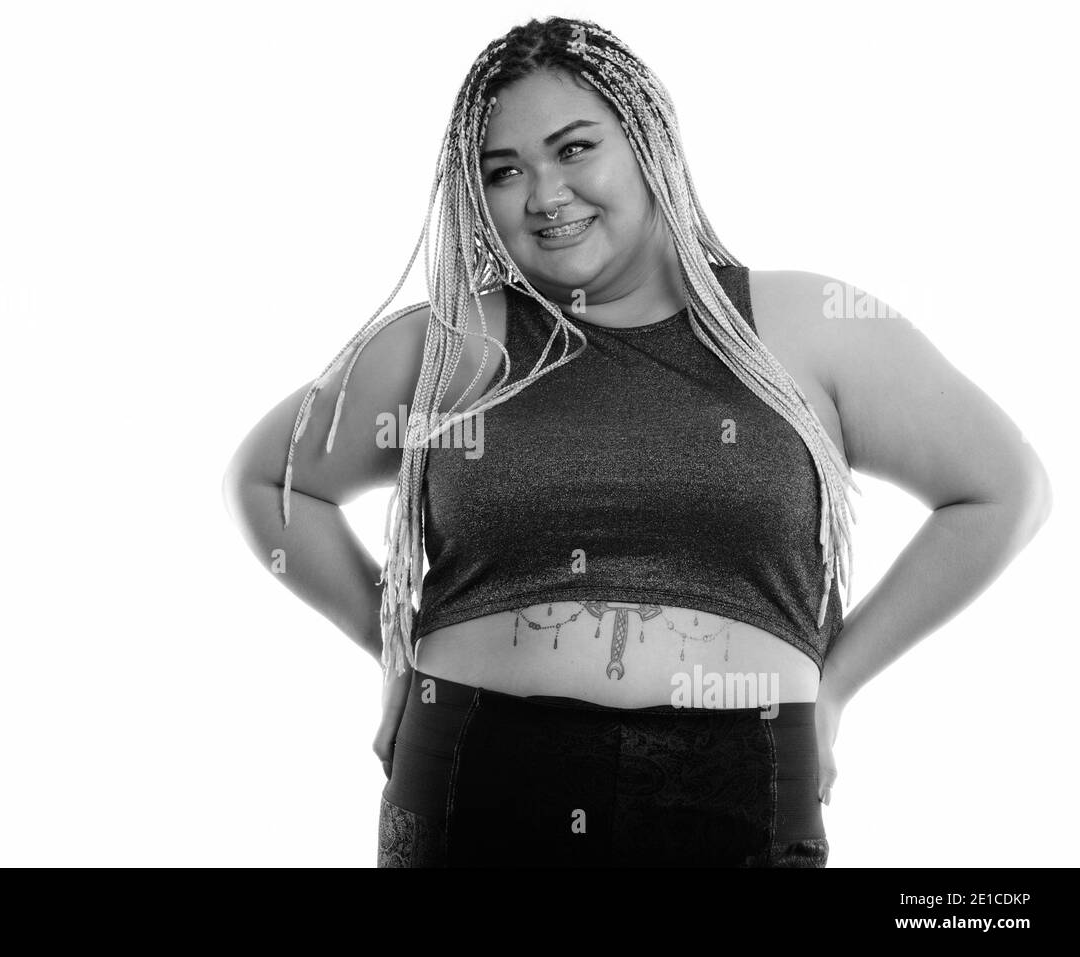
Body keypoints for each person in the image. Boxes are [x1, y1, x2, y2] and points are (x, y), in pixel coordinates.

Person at [222, 16, 1052, 867]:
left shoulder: (806, 325)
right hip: (477, 775)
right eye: (503, 171)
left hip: (736, 782)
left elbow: (1001, 490)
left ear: (649, 141)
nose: (544, 196)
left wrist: (835, 686)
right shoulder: (455, 342)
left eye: (575, 149)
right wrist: (393, 648)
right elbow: (269, 482)